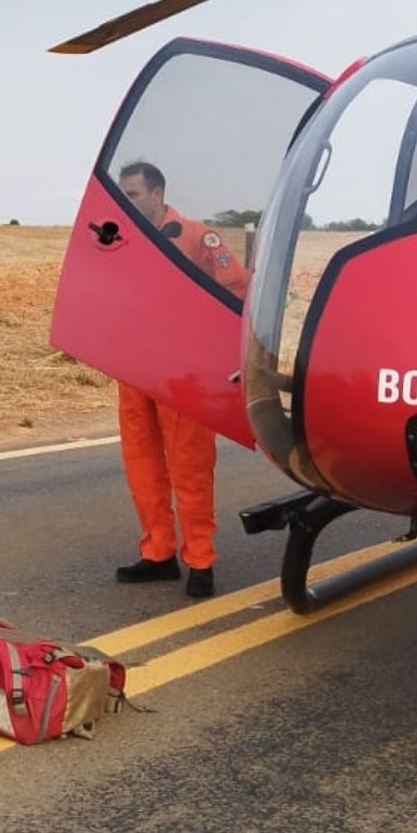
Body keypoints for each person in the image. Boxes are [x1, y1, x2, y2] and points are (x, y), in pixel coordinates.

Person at [113, 161, 249, 599]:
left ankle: (201, 561)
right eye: (123, 194)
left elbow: (237, 288)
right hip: (134, 367)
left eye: (132, 194)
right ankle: (158, 554)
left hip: (183, 372)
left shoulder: (196, 236)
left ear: (157, 193)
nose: (126, 201)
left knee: (189, 466)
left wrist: (202, 338)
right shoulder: (120, 238)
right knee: (142, 464)